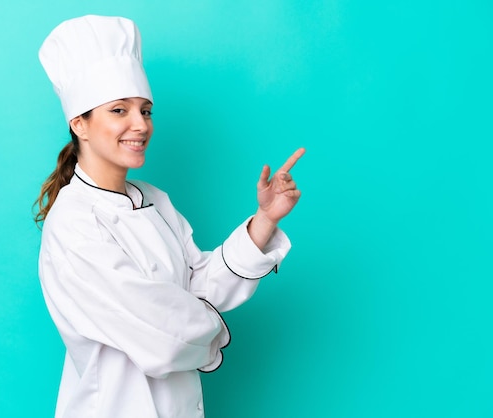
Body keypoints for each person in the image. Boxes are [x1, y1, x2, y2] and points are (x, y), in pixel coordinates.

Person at [35, 15, 305, 418]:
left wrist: (264, 220)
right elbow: (163, 334)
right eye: (119, 110)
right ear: (80, 124)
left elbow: (200, 284)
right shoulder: (73, 222)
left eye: (146, 111)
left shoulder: (155, 200)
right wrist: (208, 323)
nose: (139, 125)